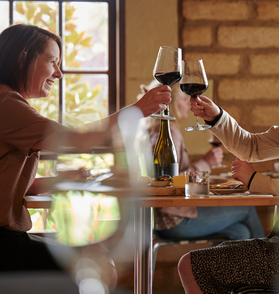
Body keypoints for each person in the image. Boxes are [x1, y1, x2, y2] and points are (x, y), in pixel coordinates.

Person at [0, 24, 171, 276]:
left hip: (8, 239)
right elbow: (75, 140)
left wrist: (61, 179)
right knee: (93, 268)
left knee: (92, 262)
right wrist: (137, 110)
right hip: (4, 243)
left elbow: (13, 186)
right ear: (23, 57)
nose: (58, 74)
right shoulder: (6, 104)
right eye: (52, 61)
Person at [177, 33, 279, 294]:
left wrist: (258, 182)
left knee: (191, 265)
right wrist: (217, 118)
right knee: (206, 259)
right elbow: (252, 147)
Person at [139, 80, 265, 240]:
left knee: (240, 232)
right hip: (173, 219)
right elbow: (168, 181)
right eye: (184, 100)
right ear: (169, 104)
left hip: (158, 220)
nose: (189, 104)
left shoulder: (149, 132)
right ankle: (269, 262)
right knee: (247, 209)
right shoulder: (168, 134)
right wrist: (206, 162)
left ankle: (234, 265)